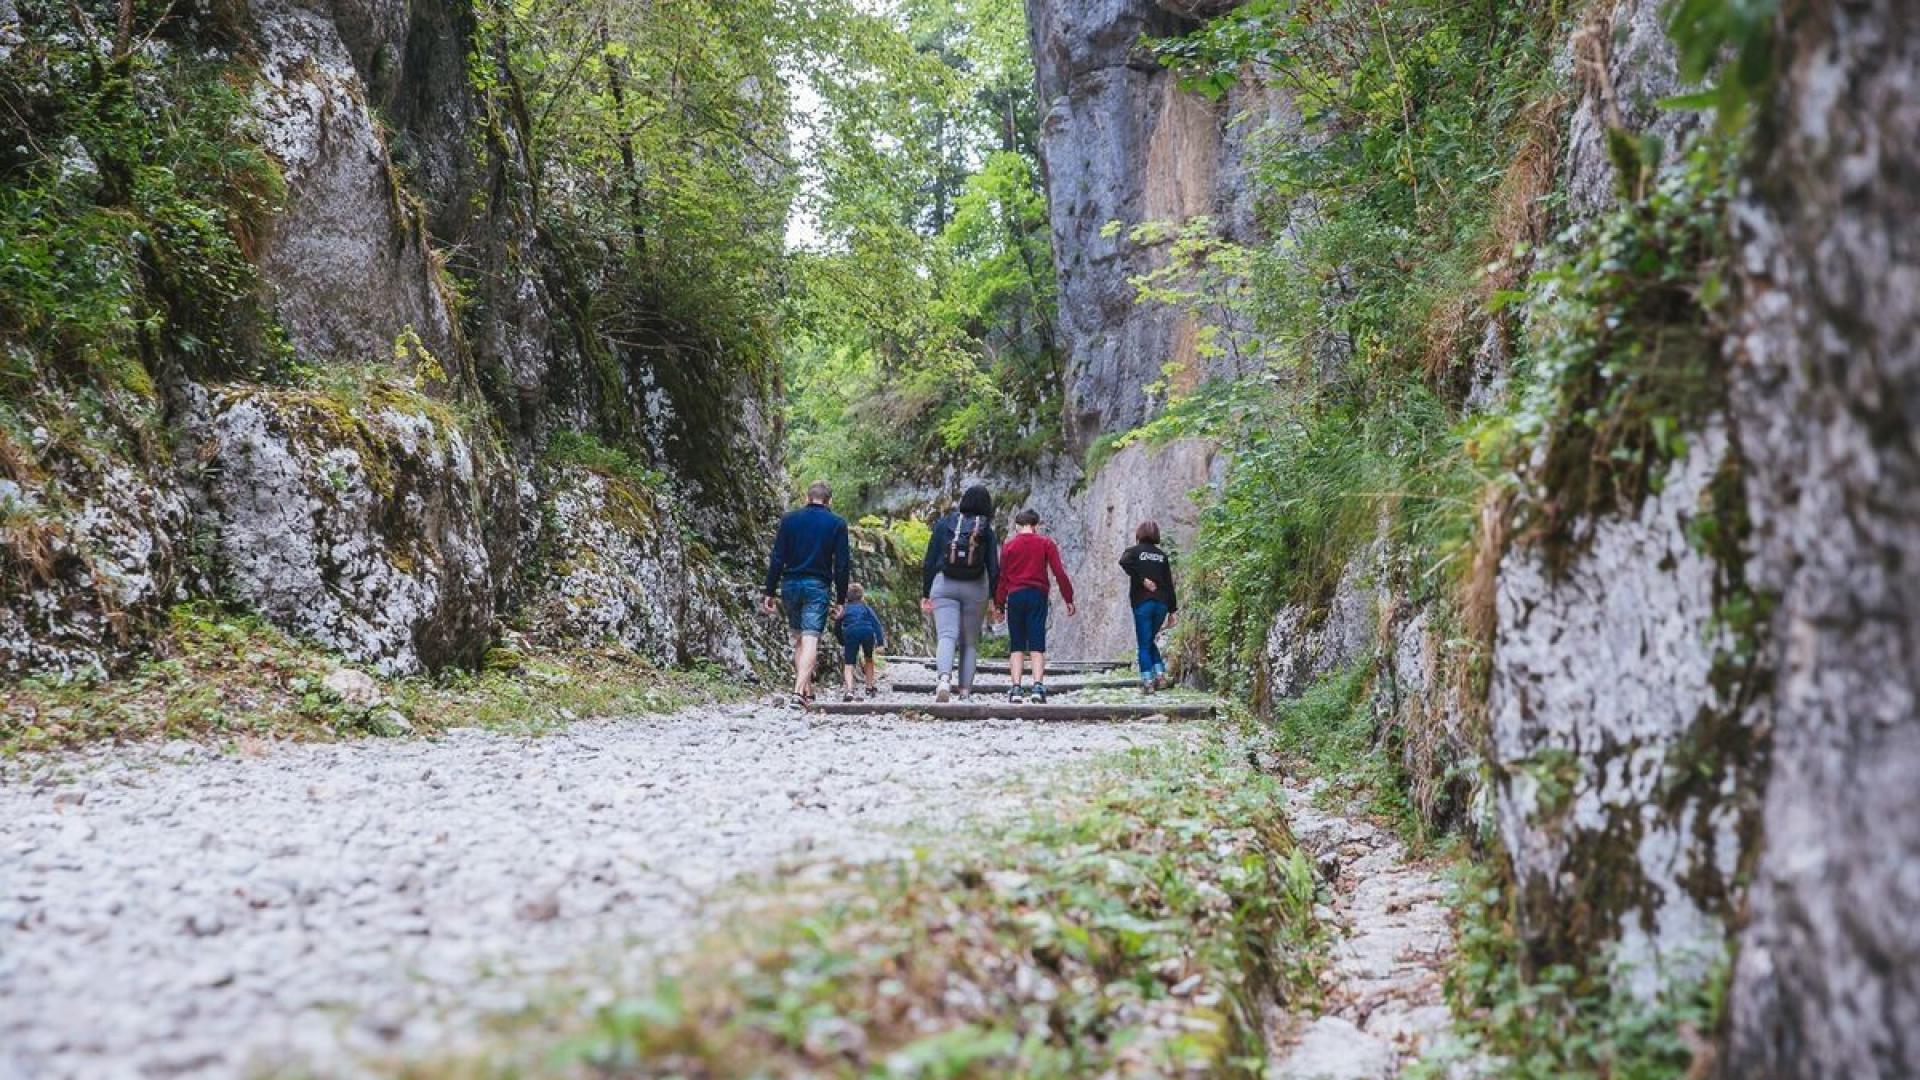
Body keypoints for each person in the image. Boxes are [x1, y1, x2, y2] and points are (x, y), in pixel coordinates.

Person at [762, 479, 852, 707]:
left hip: (790, 584)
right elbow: (842, 565)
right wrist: (841, 599)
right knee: (811, 639)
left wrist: (769, 590)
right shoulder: (837, 524)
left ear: (806, 497)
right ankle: (797, 692)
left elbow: (777, 557)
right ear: (829, 500)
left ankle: (807, 693)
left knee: (799, 640)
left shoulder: (789, 520)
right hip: (816, 586)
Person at [920, 484, 1000, 702]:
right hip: (976, 587)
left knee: (946, 635)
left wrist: (926, 592)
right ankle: (965, 692)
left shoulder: (945, 523)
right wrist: (995, 599)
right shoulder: (986, 530)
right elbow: (993, 567)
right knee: (969, 643)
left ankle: (944, 679)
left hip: (944, 583)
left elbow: (929, 560)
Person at [994, 508, 1074, 704]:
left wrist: (999, 604)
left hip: (1015, 596)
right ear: (1035, 525)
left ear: (1017, 526)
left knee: (1017, 644)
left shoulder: (1009, 546)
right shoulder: (1046, 543)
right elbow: (1059, 572)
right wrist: (1068, 598)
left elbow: (1002, 577)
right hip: (1037, 594)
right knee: (1037, 641)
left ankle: (1016, 688)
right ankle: (1038, 686)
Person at [1119, 519, 1177, 693]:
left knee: (1143, 644)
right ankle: (1160, 676)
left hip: (1142, 602)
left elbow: (1123, 561)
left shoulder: (1134, 552)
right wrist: (1173, 611)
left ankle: (1148, 681)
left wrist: (1141, 579)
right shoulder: (1162, 556)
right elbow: (1169, 584)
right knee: (1149, 640)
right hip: (1161, 603)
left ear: (1139, 533)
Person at [834, 583, 886, 701]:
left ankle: (850, 690)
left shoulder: (844, 608)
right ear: (862, 596)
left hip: (850, 633)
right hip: (867, 632)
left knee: (849, 664)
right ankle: (869, 686)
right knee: (868, 658)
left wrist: (841, 640)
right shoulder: (866, 608)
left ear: (847, 597)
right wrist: (880, 643)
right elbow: (876, 624)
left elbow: (837, 625)